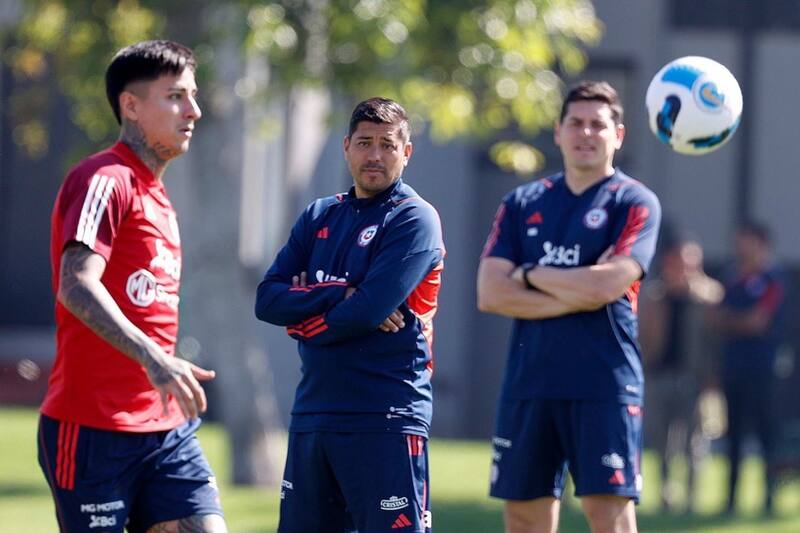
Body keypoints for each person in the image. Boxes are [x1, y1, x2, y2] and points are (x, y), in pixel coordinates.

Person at [38, 40, 227, 532]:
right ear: (131, 106)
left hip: (166, 431)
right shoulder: (105, 178)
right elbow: (75, 285)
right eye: (176, 97)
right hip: (94, 431)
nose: (194, 110)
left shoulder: (158, 197)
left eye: (193, 95)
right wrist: (154, 357)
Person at [477, 81, 662, 533]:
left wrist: (528, 273)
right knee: (523, 516)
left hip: (603, 383)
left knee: (609, 513)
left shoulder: (634, 202)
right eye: (575, 123)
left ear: (618, 134)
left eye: (597, 125)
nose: (586, 133)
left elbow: (609, 286)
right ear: (558, 132)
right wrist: (580, 287)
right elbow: (490, 294)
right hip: (530, 382)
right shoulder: (522, 202)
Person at [255, 97, 445, 533]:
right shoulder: (320, 214)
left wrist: (305, 314)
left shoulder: (414, 219)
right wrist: (341, 290)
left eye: (386, 144)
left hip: (385, 414)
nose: (374, 155)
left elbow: (369, 311)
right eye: (364, 143)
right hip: (314, 413)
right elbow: (267, 299)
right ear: (346, 147)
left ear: (406, 152)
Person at [639, 238, 723, 513]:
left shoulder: (708, 296)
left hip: (693, 379)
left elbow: (714, 337)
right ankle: (665, 493)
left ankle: (691, 498)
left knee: (694, 443)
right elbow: (643, 335)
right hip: (659, 375)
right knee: (662, 441)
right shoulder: (653, 296)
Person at [708, 221, 787, 515]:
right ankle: (730, 500)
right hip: (734, 369)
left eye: (746, 240)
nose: (740, 246)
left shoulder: (773, 278)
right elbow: (713, 319)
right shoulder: (732, 277)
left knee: (766, 436)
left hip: (763, 370)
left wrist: (730, 321)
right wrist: (735, 321)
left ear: (761, 242)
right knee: (734, 437)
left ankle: (769, 499)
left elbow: (758, 322)